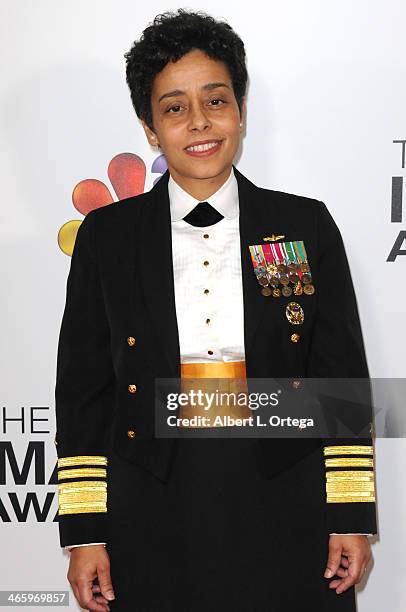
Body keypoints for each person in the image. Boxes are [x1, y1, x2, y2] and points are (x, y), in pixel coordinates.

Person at [54, 9, 377, 612]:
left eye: (216, 99)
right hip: (151, 492)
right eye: (174, 107)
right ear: (150, 129)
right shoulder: (107, 237)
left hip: (284, 485)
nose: (199, 122)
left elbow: (339, 377)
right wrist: (85, 533)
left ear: (241, 110)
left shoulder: (300, 225)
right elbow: (83, 391)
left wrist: (351, 514)